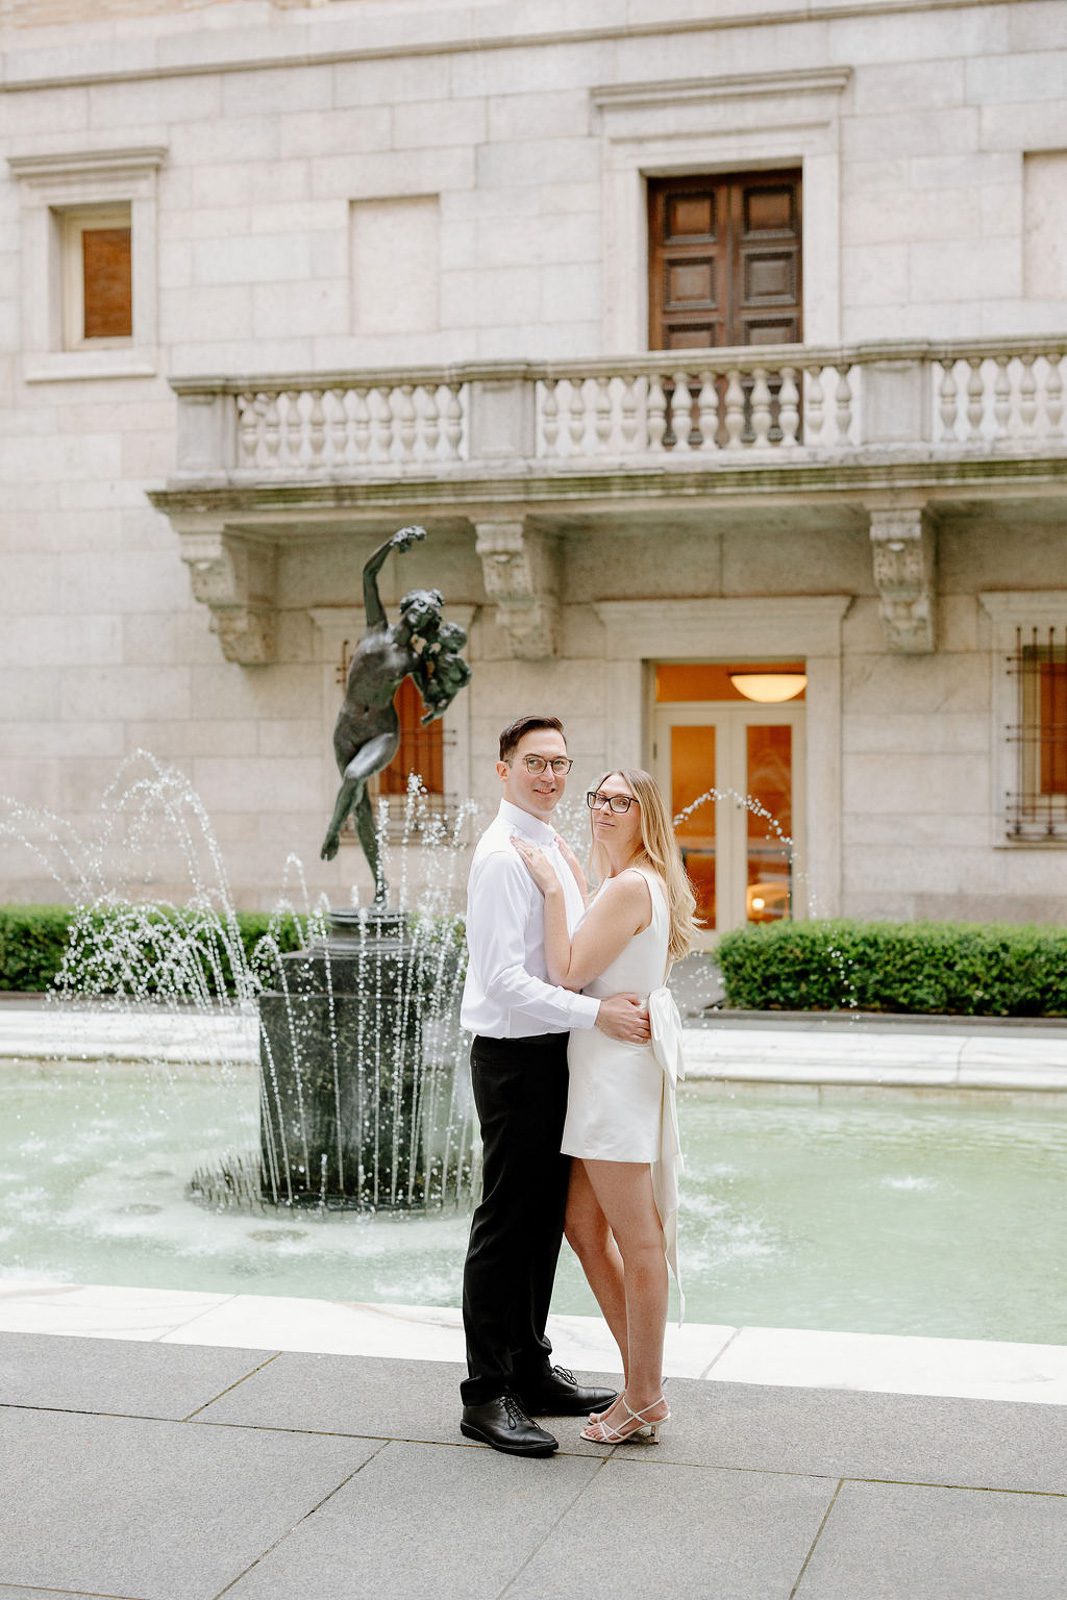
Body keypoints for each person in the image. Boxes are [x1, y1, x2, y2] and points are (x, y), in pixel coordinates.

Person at [458, 716, 654, 1458]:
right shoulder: (502, 857)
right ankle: (485, 1394)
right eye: (534, 762)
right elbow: (503, 980)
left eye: (560, 764)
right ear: (503, 768)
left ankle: (530, 1370)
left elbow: (566, 951)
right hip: (513, 1058)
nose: (549, 776)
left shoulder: (547, 845)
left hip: (553, 1054)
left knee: (543, 1220)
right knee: (506, 1221)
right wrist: (595, 1014)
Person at [512, 767, 695, 1445]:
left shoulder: (627, 887)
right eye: (598, 798)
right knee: (583, 1227)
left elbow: (565, 970)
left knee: (638, 1240)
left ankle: (645, 1396)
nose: (603, 809)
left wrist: (554, 887)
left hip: (615, 1081)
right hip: (603, 1075)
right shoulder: (631, 883)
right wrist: (570, 872)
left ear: (645, 813)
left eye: (621, 801)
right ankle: (640, 1383)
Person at [320, 525, 467, 891]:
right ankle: (381, 886)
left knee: (354, 779)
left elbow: (430, 698)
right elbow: (368, 574)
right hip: (347, 726)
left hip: (383, 731)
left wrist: (446, 687)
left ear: (429, 623)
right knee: (361, 804)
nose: (421, 612)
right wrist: (392, 542)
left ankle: (333, 831)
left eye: (429, 612)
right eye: (419, 604)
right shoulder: (375, 628)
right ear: (407, 606)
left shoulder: (414, 659)